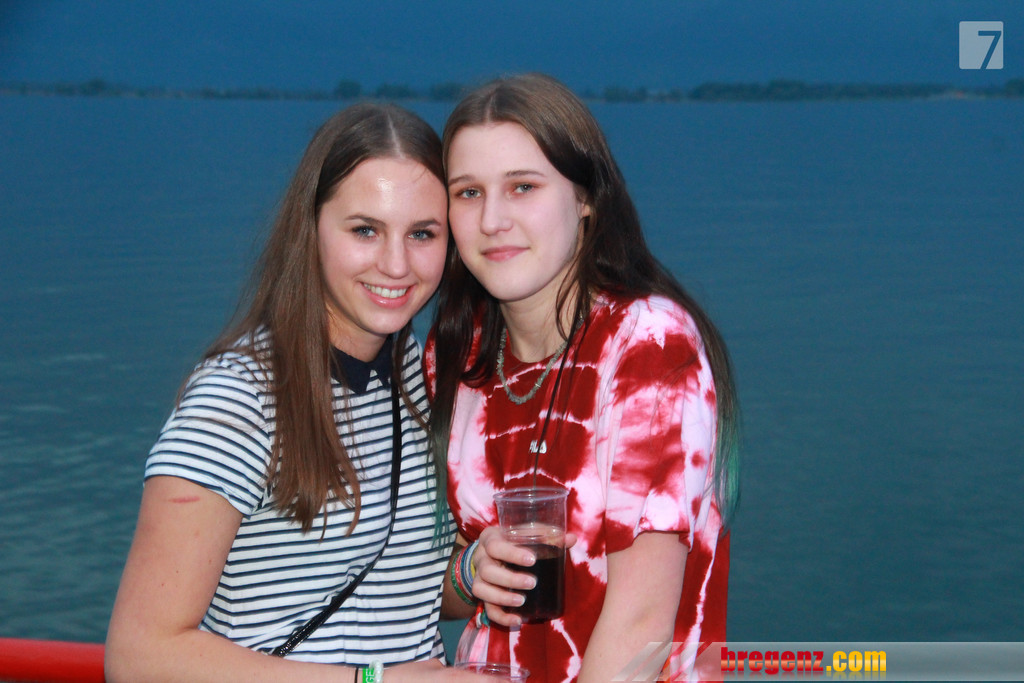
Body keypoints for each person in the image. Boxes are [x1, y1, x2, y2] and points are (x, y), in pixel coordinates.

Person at [107, 103, 491, 681]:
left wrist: (474, 572)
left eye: (422, 234)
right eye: (365, 230)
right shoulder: (239, 398)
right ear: (310, 230)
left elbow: (398, 592)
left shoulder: (422, 375)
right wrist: (372, 682)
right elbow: (140, 655)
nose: (396, 264)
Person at [426, 74, 740, 681]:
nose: (492, 219)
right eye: (468, 193)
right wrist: (469, 572)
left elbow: (642, 625)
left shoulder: (647, 346)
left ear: (586, 198)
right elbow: (420, 587)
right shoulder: (455, 359)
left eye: (523, 187)